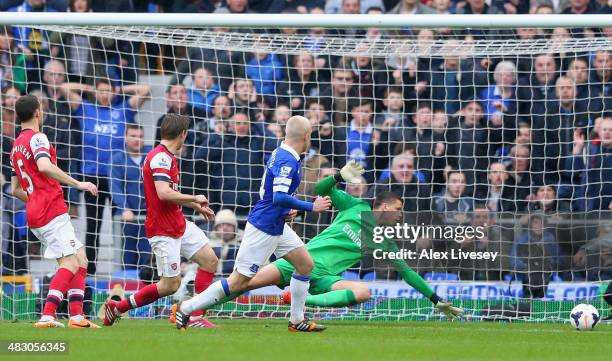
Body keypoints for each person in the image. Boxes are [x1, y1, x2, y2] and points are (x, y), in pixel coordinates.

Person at [173, 166, 463, 319]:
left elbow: (408, 272)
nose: (401, 215)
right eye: (399, 209)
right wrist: (339, 176)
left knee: (362, 292)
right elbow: (322, 189)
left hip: (326, 278)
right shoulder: (355, 207)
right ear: (387, 207)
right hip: (302, 261)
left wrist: (435, 299)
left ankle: (300, 301)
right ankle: (193, 308)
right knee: (243, 282)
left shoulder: (385, 239)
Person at [175, 115, 332, 332]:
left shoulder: (282, 152)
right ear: (306, 137)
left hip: (276, 223)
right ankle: (186, 307)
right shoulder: (287, 160)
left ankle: (296, 321)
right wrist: (310, 206)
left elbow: (267, 192)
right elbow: (277, 197)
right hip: (265, 227)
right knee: (238, 282)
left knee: (305, 265)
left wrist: (287, 210)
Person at [102, 114, 219, 329]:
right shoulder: (161, 158)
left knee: (210, 260)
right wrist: (194, 198)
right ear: (183, 134)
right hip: (163, 230)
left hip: (178, 223)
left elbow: (167, 195)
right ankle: (117, 307)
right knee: (170, 285)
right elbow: (163, 193)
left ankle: (194, 317)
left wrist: (193, 206)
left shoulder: (164, 156)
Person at [10, 95, 98, 328]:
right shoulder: (38, 138)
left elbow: (15, 188)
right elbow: (44, 166)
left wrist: (37, 197)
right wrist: (78, 184)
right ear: (38, 112)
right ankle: (47, 314)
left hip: (37, 209)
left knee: (81, 259)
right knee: (69, 262)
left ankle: (77, 316)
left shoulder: (15, 145)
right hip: (51, 209)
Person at [61, 78, 151, 274]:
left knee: (122, 221)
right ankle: (89, 270)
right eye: (101, 91)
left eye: (108, 91)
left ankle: (125, 268)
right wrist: (87, 87)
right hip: (92, 176)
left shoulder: (123, 110)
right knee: (93, 225)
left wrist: (121, 88)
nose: (104, 94)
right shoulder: (86, 109)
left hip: (117, 177)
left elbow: (145, 89)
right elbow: (64, 88)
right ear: (95, 92)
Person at [110, 124, 150, 269]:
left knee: (148, 260)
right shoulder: (118, 159)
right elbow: (115, 187)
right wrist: (125, 208)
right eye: (133, 136)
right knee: (127, 260)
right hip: (126, 217)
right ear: (125, 138)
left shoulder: (151, 156)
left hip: (149, 217)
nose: (137, 140)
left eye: (140, 136)